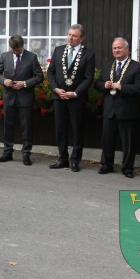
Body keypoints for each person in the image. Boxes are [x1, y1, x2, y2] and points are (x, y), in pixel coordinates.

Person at [94, 37, 140, 178]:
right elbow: (97, 84)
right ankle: (107, 165)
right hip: (109, 110)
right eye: (114, 48)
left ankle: (128, 168)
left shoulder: (137, 67)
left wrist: (122, 87)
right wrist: (103, 85)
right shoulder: (107, 65)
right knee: (107, 140)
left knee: (128, 142)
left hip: (127, 111)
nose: (116, 50)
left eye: (119, 48)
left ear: (127, 49)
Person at [46, 24, 96, 172]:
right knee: (60, 129)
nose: (70, 38)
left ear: (81, 38)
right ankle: (62, 158)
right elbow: (51, 72)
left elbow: (88, 78)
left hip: (76, 98)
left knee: (77, 129)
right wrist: (55, 89)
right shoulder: (59, 50)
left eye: (74, 36)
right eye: (69, 34)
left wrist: (75, 93)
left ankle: (75, 160)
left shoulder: (88, 54)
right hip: (59, 96)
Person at [0, 35, 44, 166]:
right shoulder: (5, 56)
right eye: (13, 50)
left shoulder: (31, 57)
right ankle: (7, 152)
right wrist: (4, 81)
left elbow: (39, 77)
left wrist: (25, 83)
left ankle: (26, 154)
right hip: (9, 97)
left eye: (17, 50)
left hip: (25, 97)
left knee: (26, 127)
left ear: (22, 46)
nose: (15, 52)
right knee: (8, 126)